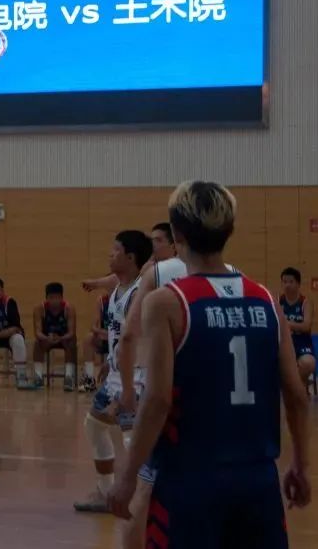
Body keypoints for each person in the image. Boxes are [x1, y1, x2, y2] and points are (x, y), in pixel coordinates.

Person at [108, 181, 311, 548]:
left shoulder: (166, 303)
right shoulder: (267, 300)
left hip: (190, 482)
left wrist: (126, 475)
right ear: (229, 231)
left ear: (177, 234)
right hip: (258, 480)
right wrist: (300, 463)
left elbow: (157, 400)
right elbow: (296, 396)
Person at [111, 231, 239, 548]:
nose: (152, 245)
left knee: (144, 487)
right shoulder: (235, 276)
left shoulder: (158, 275)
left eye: (158, 239)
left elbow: (128, 336)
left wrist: (126, 387)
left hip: (160, 389)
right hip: (215, 400)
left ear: (177, 240)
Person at [73, 230, 152, 514]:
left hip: (135, 377)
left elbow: (139, 342)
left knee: (133, 441)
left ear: (130, 258)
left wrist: (128, 388)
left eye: (115, 250)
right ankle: (106, 491)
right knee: (94, 425)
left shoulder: (140, 293)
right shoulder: (120, 286)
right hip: (117, 373)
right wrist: (111, 361)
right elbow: (120, 335)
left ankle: (143, 498)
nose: (110, 254)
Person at [32, 282, 77, 390]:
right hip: (47, 338)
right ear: (46, 298)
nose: (54, 301)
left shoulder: (69, 308)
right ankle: (38, 376)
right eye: (51, 298)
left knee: (71, 342)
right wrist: (47, 338)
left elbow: (71, 332)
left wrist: (60, 338)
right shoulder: (39, 309)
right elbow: (37, 332)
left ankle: (69, 377)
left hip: (64, 338)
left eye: (57, 298)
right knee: (37, 343)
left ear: (62, 298)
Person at [278, 267, 316, 390]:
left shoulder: (305, 302)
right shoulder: (277, 301)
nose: (287, 285)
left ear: (298, 284)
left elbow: (306, 326)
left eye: (291, 282)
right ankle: (298, 388)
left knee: (308, 363)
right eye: (284, 282)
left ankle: (293, 388)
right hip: (282, 342)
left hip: (301, 342)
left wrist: (286, 323)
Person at [80, 294, 111, 392]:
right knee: (89, 339)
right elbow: (93, 326)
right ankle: (89, 379)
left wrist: (112, 334)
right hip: (105, 337)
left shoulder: (128, 297)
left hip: (119, 338)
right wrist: (101, 332)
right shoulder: (102, 300)